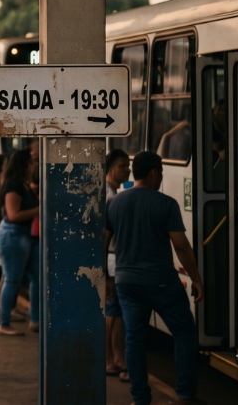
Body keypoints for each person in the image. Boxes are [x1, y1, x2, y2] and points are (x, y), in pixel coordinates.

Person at [106, 151, 203, 405]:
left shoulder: (114, 203)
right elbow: (181, 245)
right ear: (153, 173)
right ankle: (185, 395)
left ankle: (140, 399)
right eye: (160, 172)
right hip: (161, 281)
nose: (161, 177)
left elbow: (101, 244)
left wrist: (105, 278)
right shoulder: (165, 204)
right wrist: (196, 278)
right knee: (183, 330)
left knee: (135, 339)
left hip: (126, 282)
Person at [0, 148, 41, 335]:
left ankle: (35, 319)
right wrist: (40, 208)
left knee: (37, 277)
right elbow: (13, 215)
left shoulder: (23, 183)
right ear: (26, 165)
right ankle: (4, 323)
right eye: (32, 162)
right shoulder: (14, 184)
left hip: (25, 235)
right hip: (13, 235)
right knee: (12, 279)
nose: (35, 165)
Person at [104, 148, 130, 380]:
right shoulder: (108, 194)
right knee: (112, 312)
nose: (127, 170)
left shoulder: (113, 192)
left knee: (117, 311)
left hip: (113, 259)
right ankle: (109, 359)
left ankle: (116, 358)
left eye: (128, 166)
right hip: (111, 260)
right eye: (122, 166)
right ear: (110, 168)